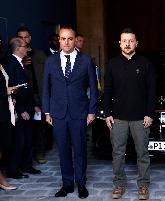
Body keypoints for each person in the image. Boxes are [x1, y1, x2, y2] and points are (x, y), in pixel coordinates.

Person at [42, 25, 98, 199]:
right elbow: (46, 88)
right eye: (63, 38)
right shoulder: (50, 61)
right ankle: (67, 184)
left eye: (70, 38)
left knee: (80, 149)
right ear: (59, 40)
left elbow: (94, 89)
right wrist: (47, 112)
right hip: (58, 113)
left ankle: (81, 183)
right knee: (63, 150)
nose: (66, 42)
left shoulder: (86, 60)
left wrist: (92, 111)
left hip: (79, 113)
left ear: (75, 40)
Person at [104, 28, 155, 200]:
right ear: (119, 43)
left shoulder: (145, 63)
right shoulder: (112, 63)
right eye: (124, 40)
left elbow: (151, 91)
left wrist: (149, 114)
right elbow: (108, 91)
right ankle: (119, 184)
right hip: (118, 118)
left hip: (140, 118)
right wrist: (107, 113)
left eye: (131, 40)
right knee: (118, 153)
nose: (127, 44)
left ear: (136, 43)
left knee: (142, 153)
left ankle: (143, 186)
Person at [5, 37, 41, 179]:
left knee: (28, 139)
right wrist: (20, 110)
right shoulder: (11, 65)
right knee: (19, 141)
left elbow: (27, 88)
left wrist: (34, 106)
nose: (28, 48)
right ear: (18, 48)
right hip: (20, 110)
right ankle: (13, 170)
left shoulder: (21, 63)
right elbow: (12, 90)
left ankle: (26, 165)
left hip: (28, 107)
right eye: (26, 46)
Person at [17, 26, 47, 164]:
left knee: (40, 126)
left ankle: (40, 153)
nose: (24, 39)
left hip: (40, 94)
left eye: (26, 37)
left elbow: (49, 74)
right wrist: (21, 63)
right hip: (25, 97)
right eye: (20, 37)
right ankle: (26, 157)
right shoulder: (16, 55)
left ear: (30, 38)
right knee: (25, 128)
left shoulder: (40, 54)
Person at [0, 64, 17, 190]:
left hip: (4, 108)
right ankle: (1, 178)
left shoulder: (1, 65)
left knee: (3, 144)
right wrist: (5, 91)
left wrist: (10, 95)